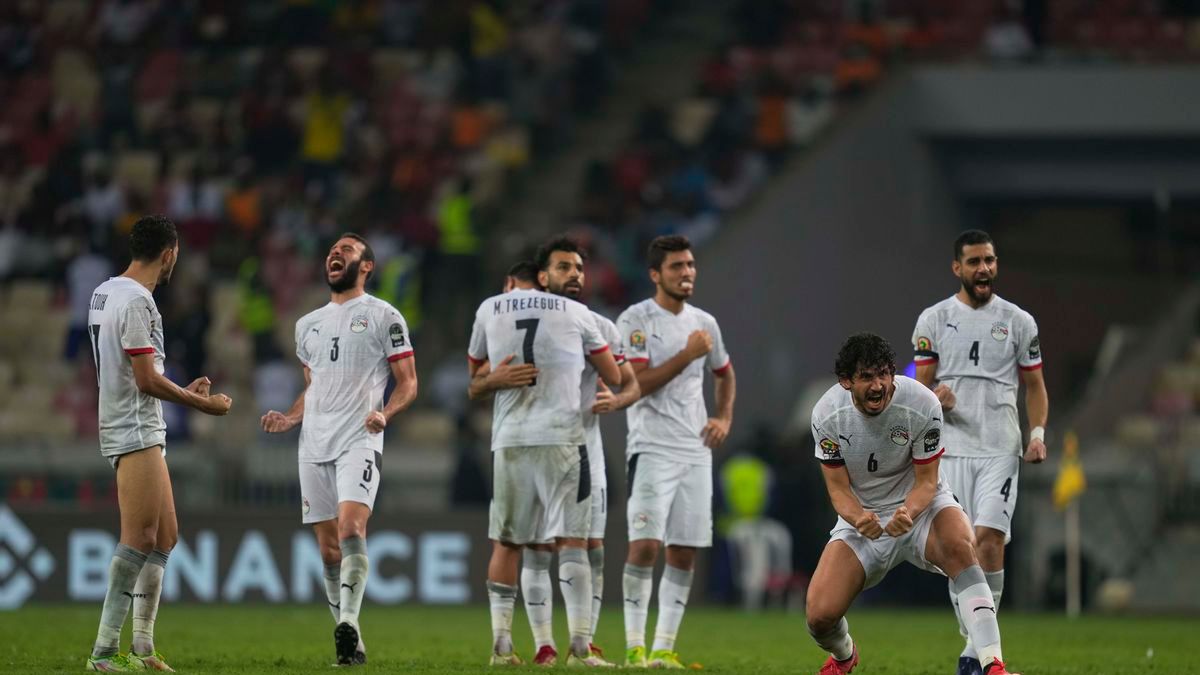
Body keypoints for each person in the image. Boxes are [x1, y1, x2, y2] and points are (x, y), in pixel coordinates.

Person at [806, 332, 1019, 675]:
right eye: (866, 377)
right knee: (819, 616)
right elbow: (838, 490)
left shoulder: (921, 403)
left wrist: (910, 511)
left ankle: (993, 664)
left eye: (883, 374)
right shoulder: (827, 415)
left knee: (962, 548)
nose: (878, 386)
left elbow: (927, 482)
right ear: (846, 381)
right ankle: (845, 655)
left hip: (922, 509)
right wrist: (859, 517)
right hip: (865, 520)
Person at [471, 240, 641, 666]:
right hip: (566, 441)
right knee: (568, 543)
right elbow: (618, 374)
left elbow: (473, 383)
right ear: (542, 276)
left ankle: (506, 646)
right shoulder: (583, 318)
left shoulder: (492, 309)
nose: (576, 275)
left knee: (517, 542)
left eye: (580, 268)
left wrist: (617, 401)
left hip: (517, 440)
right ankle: (569, 646)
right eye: (565, 267)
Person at [260, 233, 418, 667]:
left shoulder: (384, 315)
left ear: (366, 266)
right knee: (328, 550)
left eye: (347, 250)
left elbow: (408, 381)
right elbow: (315, 387)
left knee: (351, 530)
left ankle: (346, 622)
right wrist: (291, 418)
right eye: (332, 249)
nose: (335, 253)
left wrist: (385, 413)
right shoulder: (306, 325)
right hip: (313, 442)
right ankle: (353, 644)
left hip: (359, 437)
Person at [85, 215, 233, 672]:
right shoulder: (139, 303)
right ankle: (104, 652)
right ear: (169, 254)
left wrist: (182, 389)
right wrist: (197, 403)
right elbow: (147, 380)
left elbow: (134, 372)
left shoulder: (104, 292)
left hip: (133, 421)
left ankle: (143, 649)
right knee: (139, 538)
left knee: (165, 536)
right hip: (133, 427)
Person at [911, 230, 1048, 675]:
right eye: (974, 262)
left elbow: (1035, 387)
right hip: (949, 452)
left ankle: (976, 655)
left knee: (990, 540)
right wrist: (937, 397)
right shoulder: (933, 319)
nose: (983, 268)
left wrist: (1038, 432)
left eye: (989, 260)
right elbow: (918, 387)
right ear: (957, 268)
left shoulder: (1019, 321)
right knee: (961, 550)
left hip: (1000, 449)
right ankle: (979, 648)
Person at [617, 234, 735, 669]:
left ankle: (664, 647)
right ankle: (634, 647)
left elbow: (725, 372)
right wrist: (687, 355)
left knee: (683, 551)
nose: (687, 273)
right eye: (676, 267)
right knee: (645, 546)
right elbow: (634, 385)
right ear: (655, 275)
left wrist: (723, 417)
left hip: (694, 450)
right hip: (651, 447)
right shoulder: (635, 319)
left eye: (690, 265)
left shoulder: (705, 322)